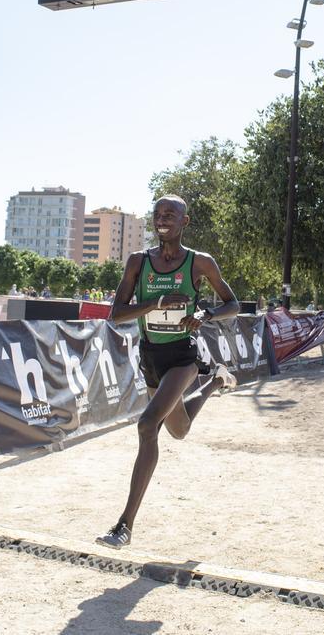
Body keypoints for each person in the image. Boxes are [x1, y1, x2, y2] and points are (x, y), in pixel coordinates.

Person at [96, 195, 239, 549]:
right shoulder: (138, 262)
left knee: (148, 426)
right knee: (180, 429)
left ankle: (124, 526)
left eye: (170, 215)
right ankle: (215, 381)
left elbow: (232, 304)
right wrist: (156, 304)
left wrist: (205, 315)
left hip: (182, 358)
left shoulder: (199, 262)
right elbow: (116, 313)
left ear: (184, 222)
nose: (163, 219)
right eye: (158, 214)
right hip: (151, 359)